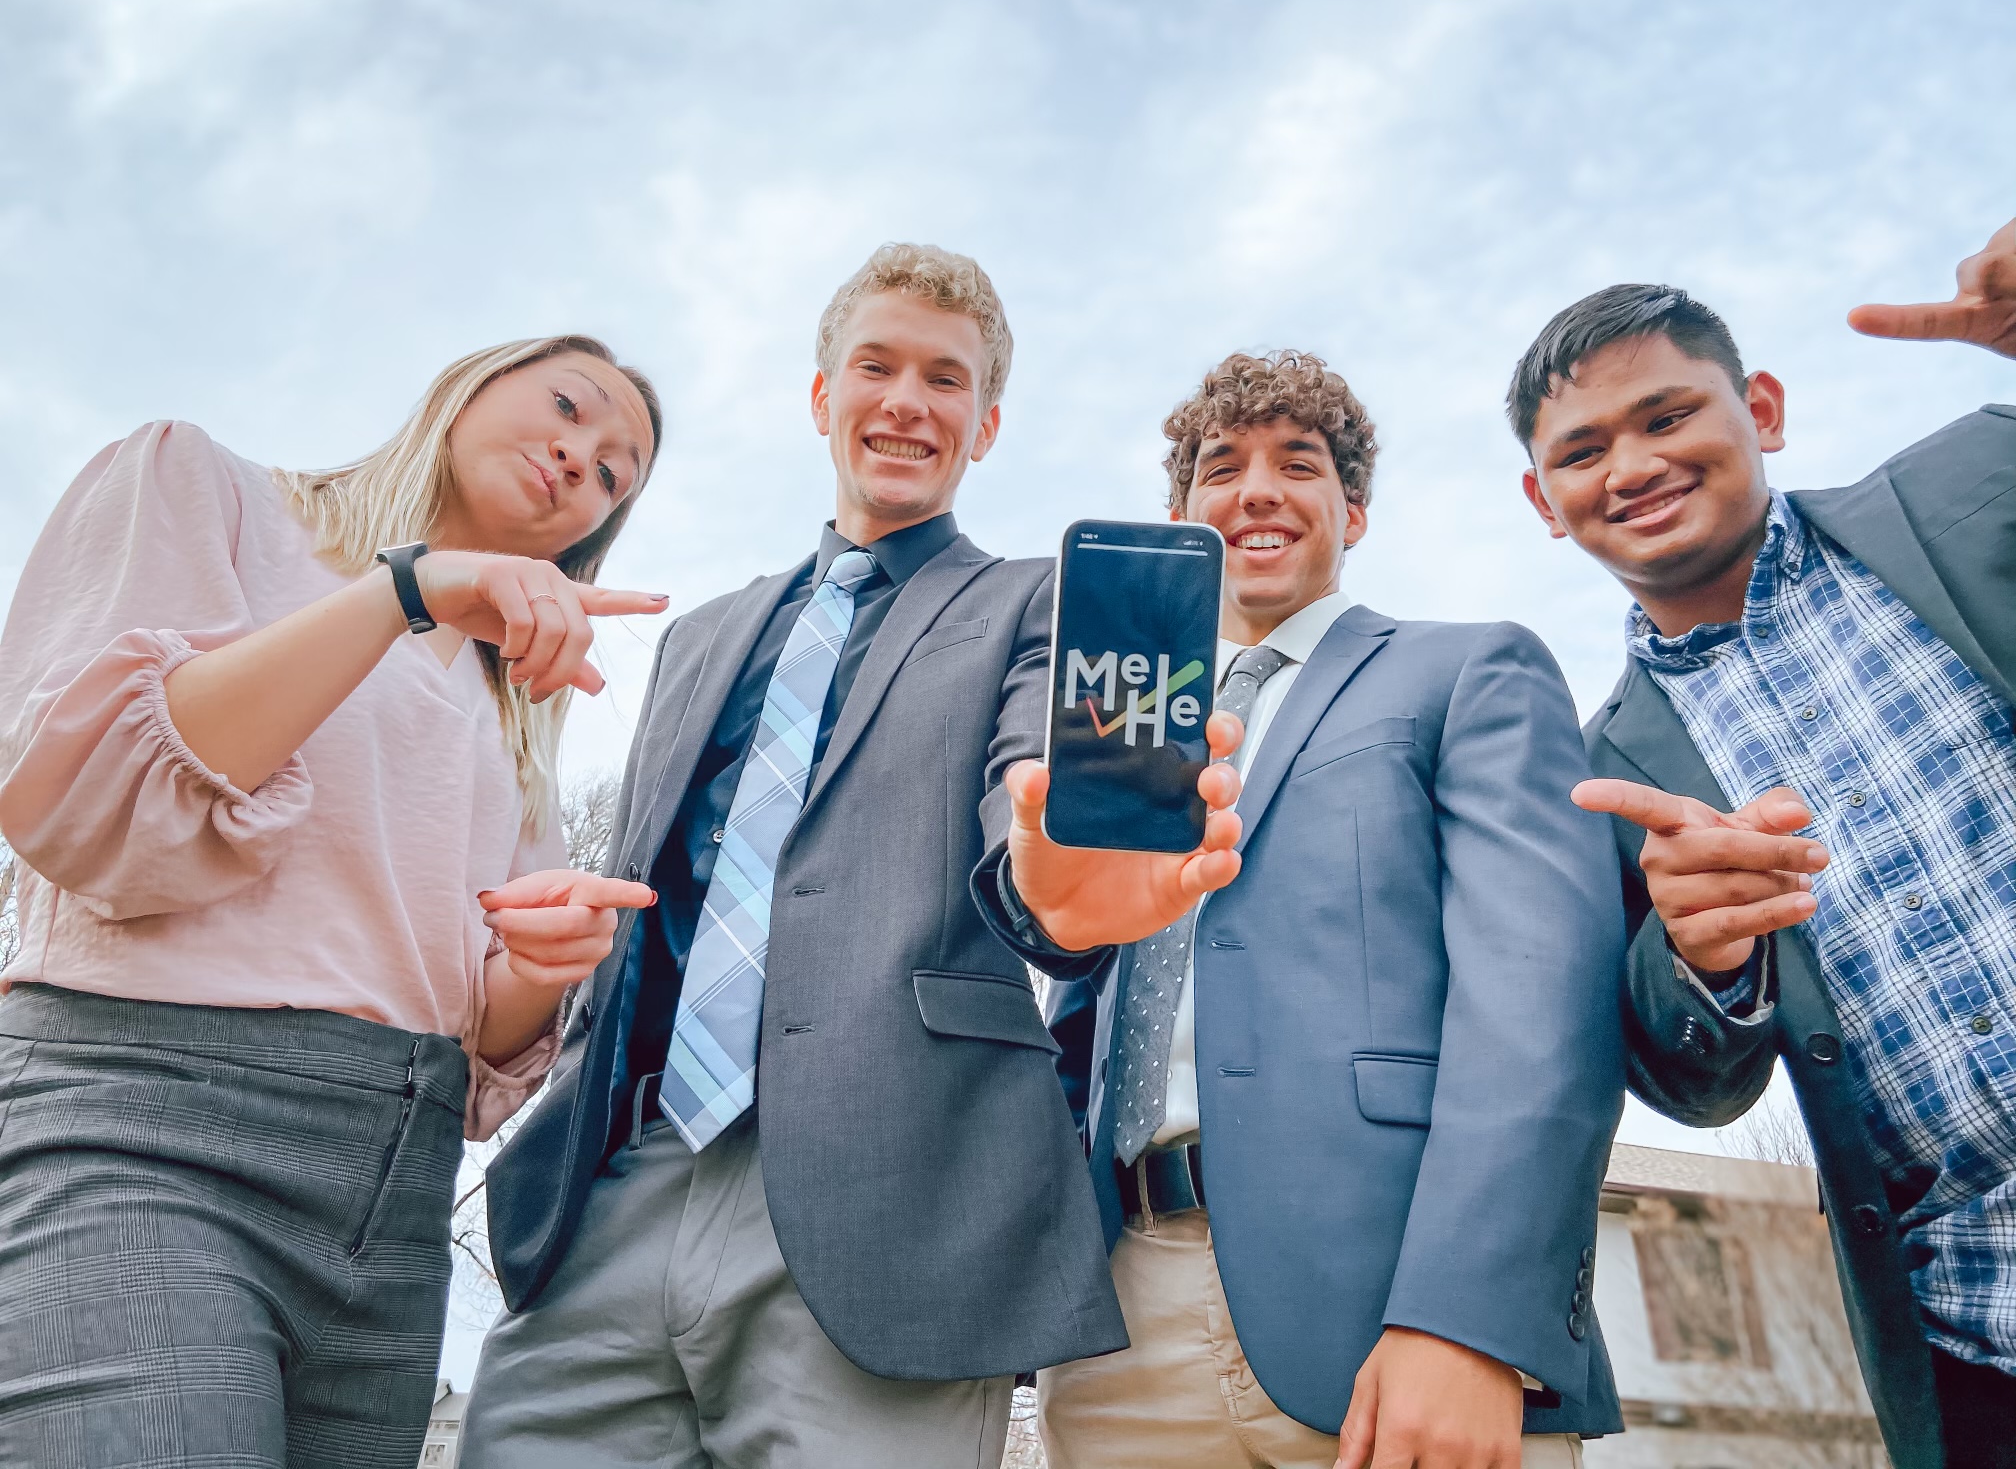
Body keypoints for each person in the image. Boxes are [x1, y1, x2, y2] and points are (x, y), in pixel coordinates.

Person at [462, 243, 1242, 1469]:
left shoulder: (1041, 605)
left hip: (898, 1205)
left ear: (984, 426)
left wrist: (1069, 886)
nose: (907, 402)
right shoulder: (699, 639)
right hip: (623, 1184)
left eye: (947, 380)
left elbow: (1030, 838)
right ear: (823, 398)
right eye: (876, 367)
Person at [0, 336, 667, 1469]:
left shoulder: (515, 709)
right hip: (152, 1125)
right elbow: (90, 813)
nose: (581, 458)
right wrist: (404, 588)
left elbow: (470, 1024)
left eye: (615, 473)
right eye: (569, 406)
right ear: (468, 386)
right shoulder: (204, 487)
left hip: (395, 1196)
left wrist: (542, 965)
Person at [1006, 351, 1627, 1469]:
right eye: (1220, 468)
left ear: (1354, 511)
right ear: (1182, 516)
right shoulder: (1125, 736)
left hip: (1392, 1308)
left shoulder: (1467, 671)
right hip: (1116, 1327)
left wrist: (1469, 1318)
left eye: (1297, 464)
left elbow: (1545, 1000)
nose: (1255, 490)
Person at [1514, 217, 2016, 1469]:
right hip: (1976, 1332)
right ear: (1545, 501)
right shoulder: (1600, 776)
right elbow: (1691, 1078)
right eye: (1583, 450)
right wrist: (1704, 959)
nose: (1630, 464)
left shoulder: (1973, 487)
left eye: (1668, 416)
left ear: (1765, 411)